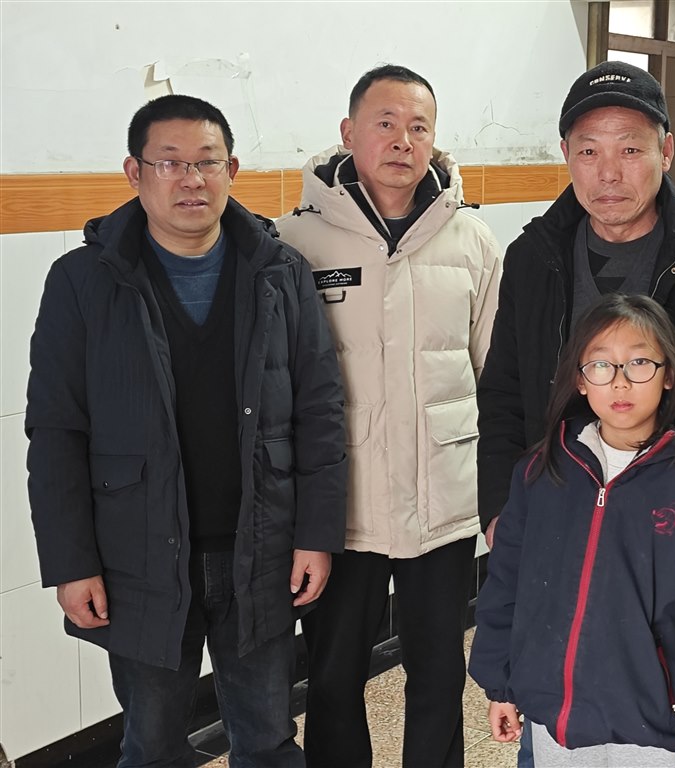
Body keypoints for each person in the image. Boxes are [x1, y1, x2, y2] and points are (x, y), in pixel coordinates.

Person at [25, 95, 347, 766]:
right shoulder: (82, 281)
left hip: (260, 549)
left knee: (267, 739)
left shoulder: (279, 271)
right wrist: (72, 562)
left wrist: (316, 535)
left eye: (207, 162)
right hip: (136, 558)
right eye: (169, 162)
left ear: (232, 171)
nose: (191, 179)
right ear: (134, 172)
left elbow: (320, 409)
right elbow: (55, 433)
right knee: (151, 746)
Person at [477, 60, 675, 554]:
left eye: (630, 149)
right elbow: (503, 392)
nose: (608, 173)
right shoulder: (532, 256)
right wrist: (502, 508)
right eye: (589, 151)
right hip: (557, 515)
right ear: (566, 155)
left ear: (665, 151)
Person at [275, 64, 501, 768]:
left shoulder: (472, 241)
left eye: (418, 126)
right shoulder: (295, 244)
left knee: (438, 675)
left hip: (443, 506)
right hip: (342, 511)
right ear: (349, 133)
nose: (403, 140)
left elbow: (497, 378)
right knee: (333, 678)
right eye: (386, 123)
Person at [468, 293, 675, 768]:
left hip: (660, 731)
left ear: (669, 374)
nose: (620, 382)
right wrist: (501, 683)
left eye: (639, 363)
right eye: (601, 365)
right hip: (557, 721)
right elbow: (507, 584)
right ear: (579, 379)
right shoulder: (543, 471)